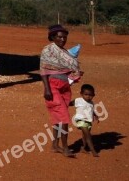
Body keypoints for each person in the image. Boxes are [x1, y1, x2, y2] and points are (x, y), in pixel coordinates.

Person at [40, 24, 82, 157]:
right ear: (53, 37)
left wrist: (75, 74)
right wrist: (47, 89)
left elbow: (70, 69)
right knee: (64, 118)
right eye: (60, 37)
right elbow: (44, 71)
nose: (63, 39)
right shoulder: (48, 50)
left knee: (59, 118)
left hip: (65, 86)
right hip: (53, 85)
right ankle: (65, 148)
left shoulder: (65, 52)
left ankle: (54, 145)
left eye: (65, 37)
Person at [72, 84, 100, 157]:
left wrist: (95, 115)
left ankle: (83, 148)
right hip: (81, 120)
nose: (88, 96)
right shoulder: (78, 100)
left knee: (84, 136)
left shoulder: (91, 103)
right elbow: (69, 103)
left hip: (88, 121)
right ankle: (93, 150)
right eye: (86, 94)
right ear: (81, 94)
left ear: (94, 95)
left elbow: (92, 110)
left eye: (90, 95)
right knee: (88, 135)